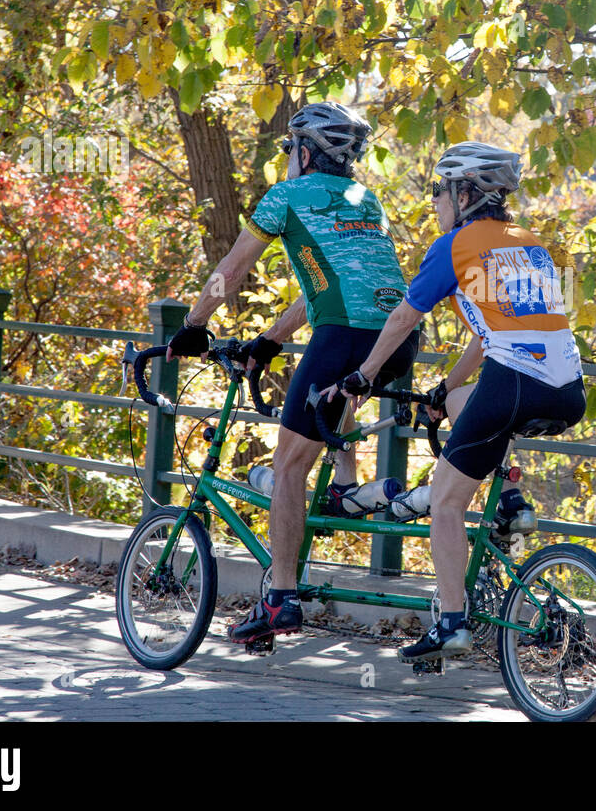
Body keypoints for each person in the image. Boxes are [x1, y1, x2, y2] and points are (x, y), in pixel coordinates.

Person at [165, 102, 419, 644]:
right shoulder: (365, 201)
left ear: (305, 153)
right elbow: (327, 287)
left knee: (286, 465)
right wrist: (271, 339)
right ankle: (348, 492)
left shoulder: (285, 197)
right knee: (326, 417)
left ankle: (280, 598)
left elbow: (231, 270)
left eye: (288, 151)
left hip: (345, 336)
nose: (285, 161)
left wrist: (193, 324)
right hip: (398, 341)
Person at [332, 141, 586, 663]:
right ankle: (511, 502)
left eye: (438, 191)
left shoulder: (455, 246)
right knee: (467, 401)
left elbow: (403, 318)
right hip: (567, 388)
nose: (435, 202)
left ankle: (451, 623)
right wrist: (446, 390)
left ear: (465, 192)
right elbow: (487, 334)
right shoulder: (528, 243)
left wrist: (363, 374)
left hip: (514, 379)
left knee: (445, 504)